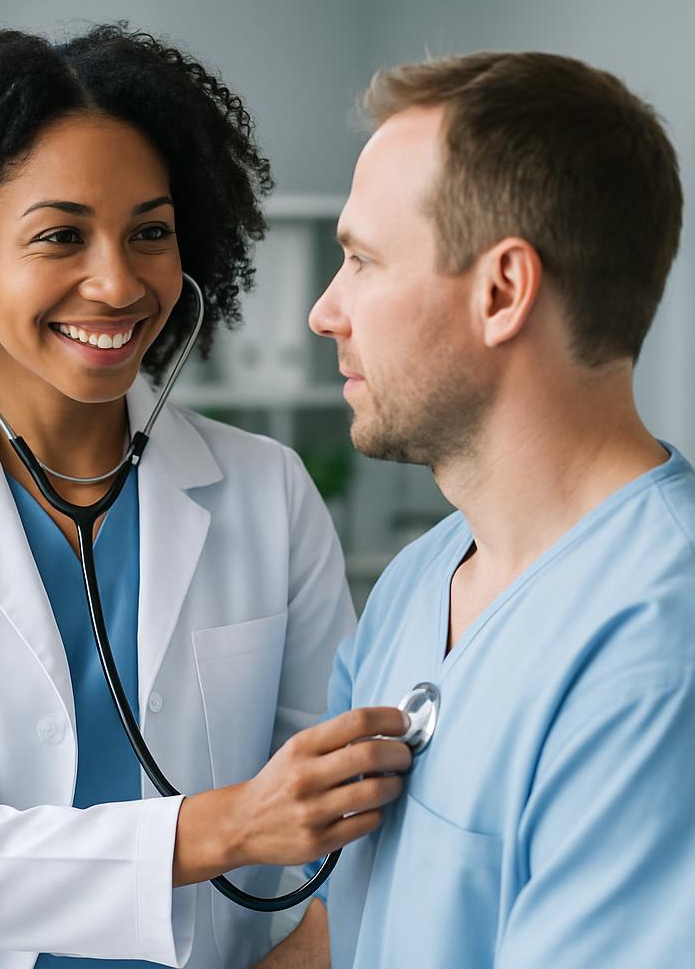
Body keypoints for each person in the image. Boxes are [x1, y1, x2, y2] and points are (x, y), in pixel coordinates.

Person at [0, 25, 413, 969]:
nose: (117, 282)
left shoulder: (265, 492)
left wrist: (310, 946)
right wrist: (228, 826)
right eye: (60, 236)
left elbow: (342, 807)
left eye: (149, 233)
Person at [258, 51, 695, 968]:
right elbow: (340, 929)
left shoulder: (660, 653)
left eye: (361, 261)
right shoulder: (420, 580)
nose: (324, 312)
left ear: (502, 291)